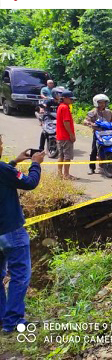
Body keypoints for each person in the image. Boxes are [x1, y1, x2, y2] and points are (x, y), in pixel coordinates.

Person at [0, 134, 44, 333]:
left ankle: (2, 318)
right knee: (20, 275)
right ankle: (13, 321)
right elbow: (30, 183)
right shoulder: (2, 169)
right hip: (11, 230)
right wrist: (35, 163)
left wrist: (14, 162)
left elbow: (6, 175)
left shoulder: (4, 169)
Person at [83, 94, 112, 175]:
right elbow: (86, 120)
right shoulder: (92, 112)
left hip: (110, 133)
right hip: (98, 133)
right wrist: (89, 123)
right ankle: (91, 168)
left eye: (104, 103)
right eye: (100, 103)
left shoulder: (109, 112)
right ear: (96, 103)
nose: (102, 104)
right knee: (94, 150)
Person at [55, 90, 77, 180]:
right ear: (65, 98)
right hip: (65, 136)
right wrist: (71, 134)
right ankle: (66, 174)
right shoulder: (64, 108)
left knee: (61, 155)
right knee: (67, 156)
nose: (72, 101)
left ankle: (60, 174)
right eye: (71, 99)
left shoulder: (61, 107)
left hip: (60, 136)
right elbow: (66, 122)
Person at [37, 87, 63, 152]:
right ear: (54, 94)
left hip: (57, 118)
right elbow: (44, 105)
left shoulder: (61, 103)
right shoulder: (49, 100)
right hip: (48, 117)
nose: (60, 96)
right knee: (44, 132)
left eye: (60, 94)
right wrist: (42, 107)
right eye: (58, 94)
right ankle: (41, 148)